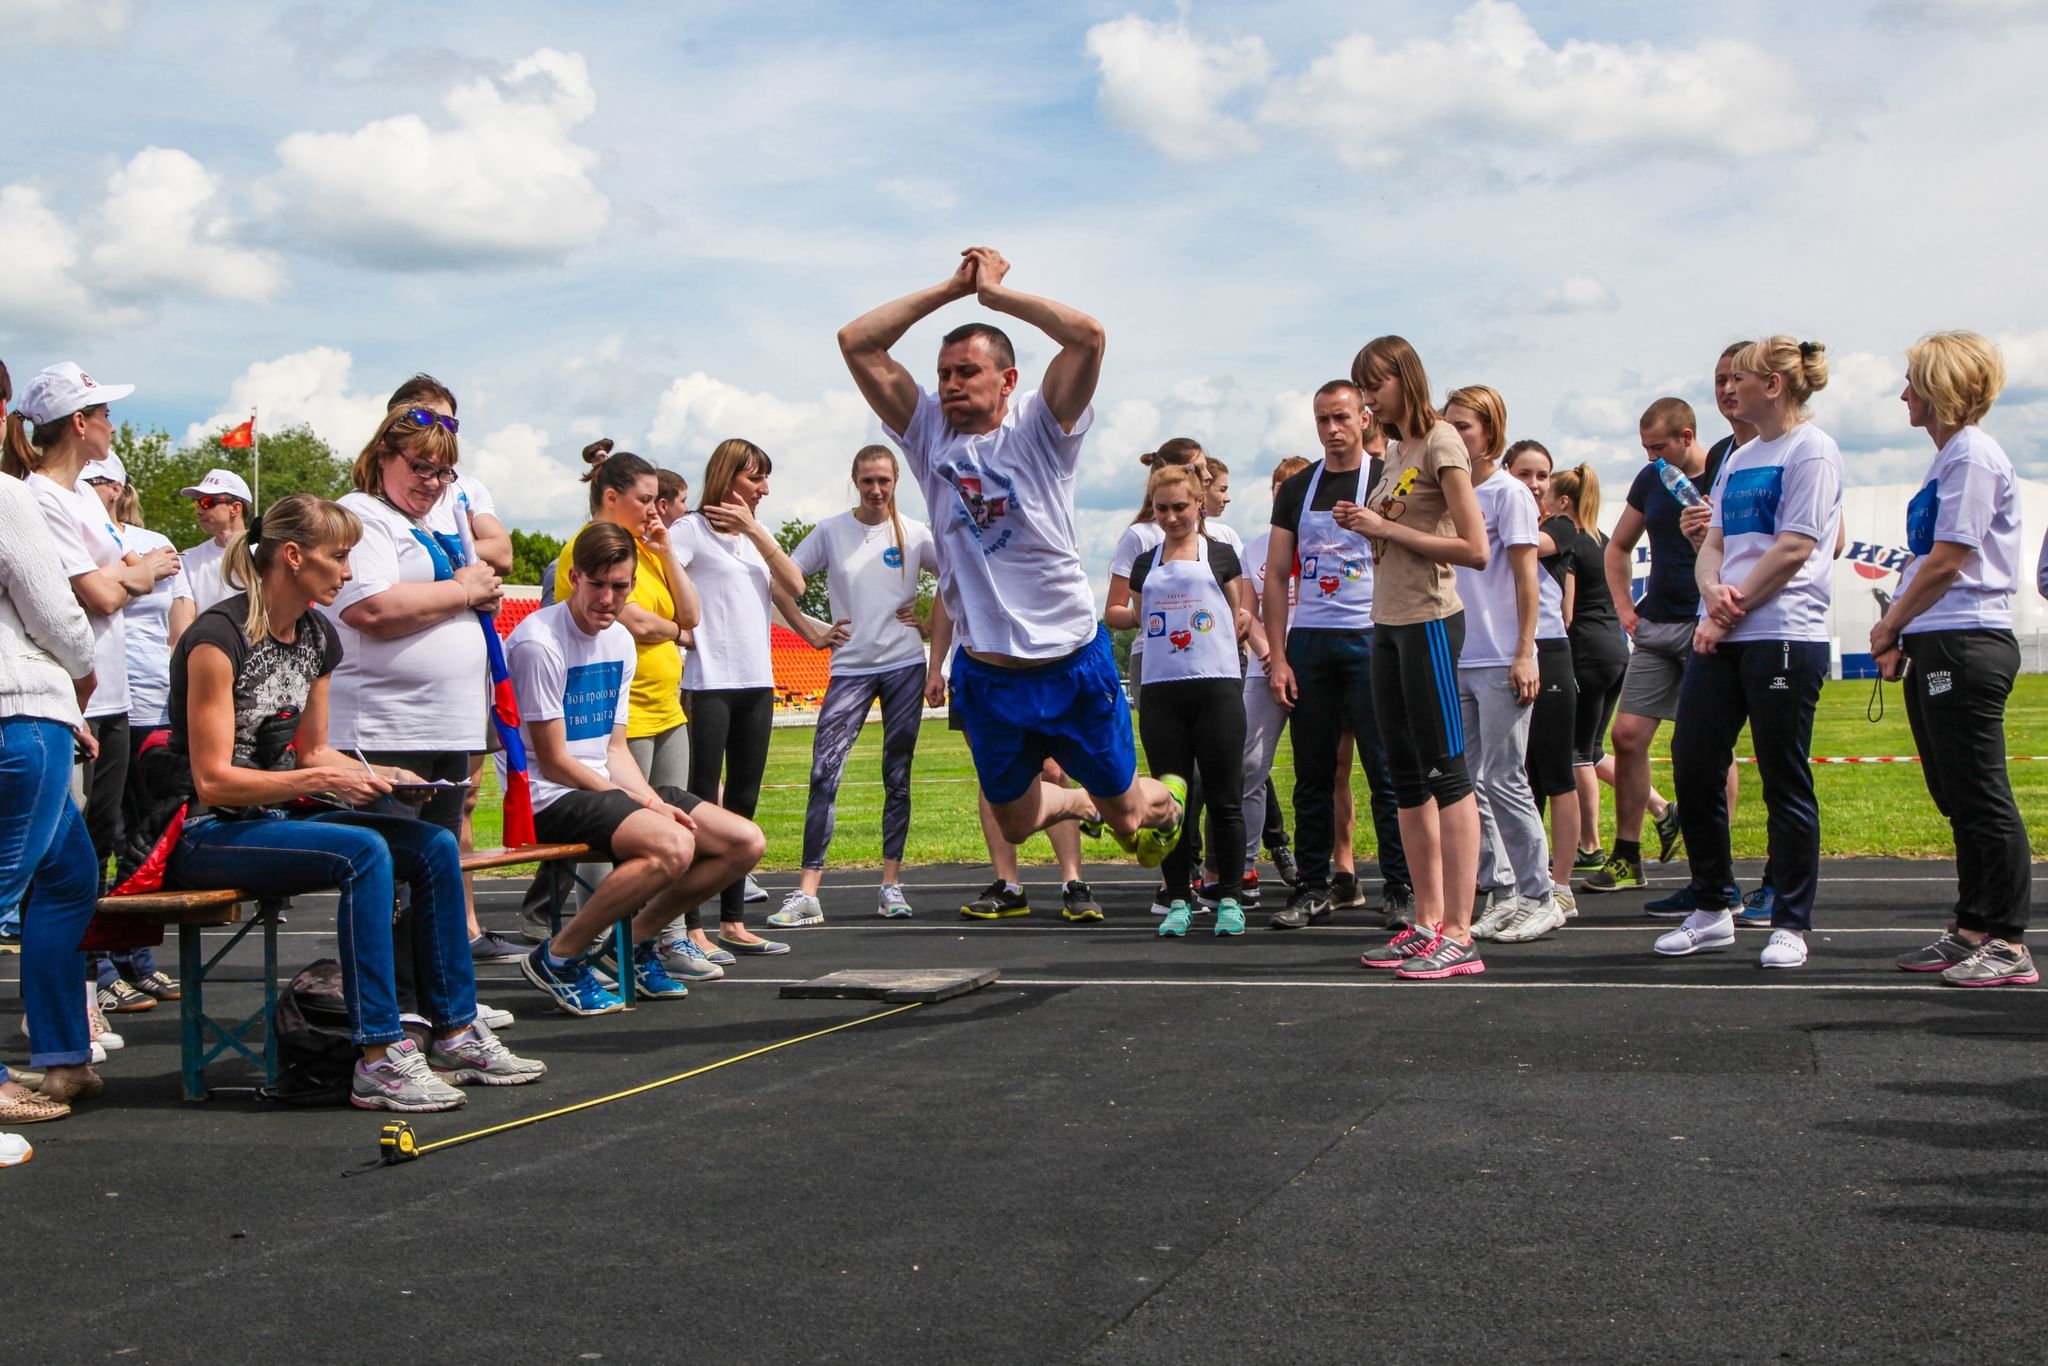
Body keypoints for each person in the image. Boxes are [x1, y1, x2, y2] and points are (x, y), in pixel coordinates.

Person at [153, 493, 544, 1109]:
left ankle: (455, 1030)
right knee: (364, 852)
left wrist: (374, 770)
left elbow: (311, 754)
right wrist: (326, 782)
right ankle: (378, 1055)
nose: (345, 571)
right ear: (292, 557)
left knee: (434, 845)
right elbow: (214, 782)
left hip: (273, 819)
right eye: (338, 558)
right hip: (208, 832)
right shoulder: (215, 638)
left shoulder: (315, 636)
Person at [838, 247, 1183, 863]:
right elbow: (856, 342)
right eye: (943, 373)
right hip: (989, 674)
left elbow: (1087, 338)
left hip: (1071, 664)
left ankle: (1167, 802)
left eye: (966, 372)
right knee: (1018, 822)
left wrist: (996, 298)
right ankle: (1081, 803)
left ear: (1008, 380)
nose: (949, 385)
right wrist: (952, 289)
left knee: (1131, 819)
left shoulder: (1040, 428)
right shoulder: (927, 433)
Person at [511, 522, 764, 1012]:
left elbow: (615, 750)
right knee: (672, 843)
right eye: (597, 584)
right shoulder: (539, 643)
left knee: (743, 842)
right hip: (546, 795)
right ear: (575, 577)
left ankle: (633, 941)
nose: (608, 598)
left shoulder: (620, 641)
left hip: (604, 787)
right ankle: (560, 957)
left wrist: (646, 799)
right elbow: (556, 761)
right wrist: (645, 805)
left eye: (620, 586)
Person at [1654, 336, 1841, 970]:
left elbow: (1796, 548)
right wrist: (1713, 595)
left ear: (1776, 385)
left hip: (1783, 632)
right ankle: (1712, 907)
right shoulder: (1737, 456)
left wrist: (1729, 607)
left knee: (1784, 775)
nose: (1729, 388)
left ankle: (1790, 919)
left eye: (1742, 377)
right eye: (1724, 379)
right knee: (1694, 762)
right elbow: (1715, 541)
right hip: (1724, 631)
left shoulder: (1812, 450)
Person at [321, 404, 503, 1002]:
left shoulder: (431, 522)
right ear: (382, 459)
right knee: (394, 884)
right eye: (420, 466)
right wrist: (462, 590)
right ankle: (391, 1015)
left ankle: (442, 1008)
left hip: (442, 730)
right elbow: (368, 610)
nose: (431, 481)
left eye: (443, 472)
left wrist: (472, 596)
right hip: (387, 730)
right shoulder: (362, 517)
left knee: (436, 880)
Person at [4, 365, 177, 974]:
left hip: (103, 694)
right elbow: (97, 595)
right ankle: (72, 986)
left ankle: (81, 993)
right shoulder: (38, 496)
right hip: (68, 696)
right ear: (79, 423)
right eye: (104, 412)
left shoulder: (80, 495)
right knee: (44, 863)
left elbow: (131, 569)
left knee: (91, 851)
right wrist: (135, 576)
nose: (111, 423)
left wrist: (128, 576)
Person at [1875, 333, 2035, 986]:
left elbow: (1948, 559)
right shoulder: (1948, 460)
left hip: (1968, 639)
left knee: (1981, 793)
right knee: (1956, 794)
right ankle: (1972, 925)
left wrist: (1888, 623)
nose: (1903, 392)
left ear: (1938, 388)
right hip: (1940, 637)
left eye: (1912, 380)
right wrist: (1905, 634)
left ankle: (2011, 942)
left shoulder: (1971, 456)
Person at [1345, 337, 1490, 980]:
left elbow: (1475, 547)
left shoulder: (1439, 443)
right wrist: (1364, 521)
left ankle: (1460, 931)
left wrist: (1385, 529)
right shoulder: (1397, 450)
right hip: (1387, 623)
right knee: (1404, 776)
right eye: (1362, 386)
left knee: (1446, 774)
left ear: (1406, 379)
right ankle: (1426, 922)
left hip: (1431, 622)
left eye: (1374, 384)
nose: (1367, 398)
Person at [1262, 383, 1412, 931]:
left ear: (1364, 418)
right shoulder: (1298, 488)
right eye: (1322, 419)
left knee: (1387, 771)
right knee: (1313, 773)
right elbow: (1277, 576)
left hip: (1374, 638)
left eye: (1342, 417)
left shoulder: (1386, 477)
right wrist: (1278, 657)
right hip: (1312, 643)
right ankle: (1312, 886)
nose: (1332, 428)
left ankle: (1400, 886)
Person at [769, 446, 938, 925]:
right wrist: (811, 632)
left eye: (883, 480)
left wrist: (926, 624)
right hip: (850, 668)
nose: (876, 489)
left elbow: (958, 581)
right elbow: (781, 581)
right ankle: (807, 893)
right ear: (855, 481)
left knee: (897, 775)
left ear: (895, 480)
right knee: (825, 772)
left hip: (904, 664)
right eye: (867, 481)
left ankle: (891, 885)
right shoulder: (830, 531)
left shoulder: (917, 534)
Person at [0, 363, 103, 1119]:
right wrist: (79, 679)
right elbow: (57, 613)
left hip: (33, 713)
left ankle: (64, 1056)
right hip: (22, 710)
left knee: (68, 877)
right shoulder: (6, 495)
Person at [1588, 392, 1736, 899]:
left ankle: (1713, 865)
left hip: (1708, 623)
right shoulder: (1651, 480)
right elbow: (1617, 546)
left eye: (1658, 447)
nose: (1651, 458)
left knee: (1712, 744)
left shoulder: (1725, 470)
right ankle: (1627, 855)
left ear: (1686, 438)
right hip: (1656, 624)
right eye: (1645, 448)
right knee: (1627, 735)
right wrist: (1625, 608)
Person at [667, 438, 807, 963]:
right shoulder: (689, 531)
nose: (763, 489)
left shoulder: (754, 536)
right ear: (727, 477)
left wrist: (755, 531)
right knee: (703, 805)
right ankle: (692, 924)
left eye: (765, 479)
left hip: (757, 682)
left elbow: (794, 582)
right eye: (754, 478)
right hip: (708, 683)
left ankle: (733, 920)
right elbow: (665, 581)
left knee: (744, 805)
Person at [1106, 464, 1252, 937]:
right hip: (1163, 692)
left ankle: (1228, 895)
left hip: (1217, 687)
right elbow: (1134, 616)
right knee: (1171, 802)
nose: (1172, 518)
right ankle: (1177, 898)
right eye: (1163, 509)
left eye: (1181, 508)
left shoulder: (1224, 554)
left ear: (1199, 505)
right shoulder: (1146, 563)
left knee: (1225, 799)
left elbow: (1237, 615)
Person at [1447, 392, 1568, 947]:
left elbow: (1525, 579)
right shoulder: (1453, 495)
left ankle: (1540, 893)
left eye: (1463, 427)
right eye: (1448, 426)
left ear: (1490, 432)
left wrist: (1526, 651)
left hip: (1500, 656)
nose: (1454, 435)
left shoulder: (1509, 494)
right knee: (1473, 782)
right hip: (1460, 656)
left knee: (1506, 777)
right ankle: (1504, 890)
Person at [929, 597, 1104, 921]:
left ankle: (1074, 882)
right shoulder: (958, 544)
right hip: (977, 671)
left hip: (1038, 665)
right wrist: (935, 667)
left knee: (1051, 770)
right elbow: (945, 596)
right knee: (991, 773)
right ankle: (1008, 885)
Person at [92, 470, 189, 1002]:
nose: (103, 489)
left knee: (145, 836)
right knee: (102, 833)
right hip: (101, 703)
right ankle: (99, 965)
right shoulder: (73, 535)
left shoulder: (153, 543)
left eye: (109, 479)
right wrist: (134, 572)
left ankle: (135, 955)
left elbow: (180, 629)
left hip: (152, 701)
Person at [1544, 465, 1627, 880]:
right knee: (1592, 750)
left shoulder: (1570, 542)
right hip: (1616, 651)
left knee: (1576, 754)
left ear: (1563, 502)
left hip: (1587, 653)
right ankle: (1661, 807)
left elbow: (1567, 609)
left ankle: (1589, 843)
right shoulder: (1603, 538)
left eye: (1546, 493)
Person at [1238, 456, 1312, 906]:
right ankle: (1244, 865)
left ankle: (1327, 866)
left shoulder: (1329, 541)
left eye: (1293, 485)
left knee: (1326, 773)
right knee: (1248, 767)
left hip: (1320, 662)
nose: (1284, 492)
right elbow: (1246, 614)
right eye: (1278, 486)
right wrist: (1272, 658)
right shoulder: (1254, 548)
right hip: (1266, 668)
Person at [177, 468, 252, 612]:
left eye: (206, 502)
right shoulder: (187, 559)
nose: (198, 510)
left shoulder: (266, 552)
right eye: (197, 503)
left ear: (235, 508)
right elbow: (184, 622)